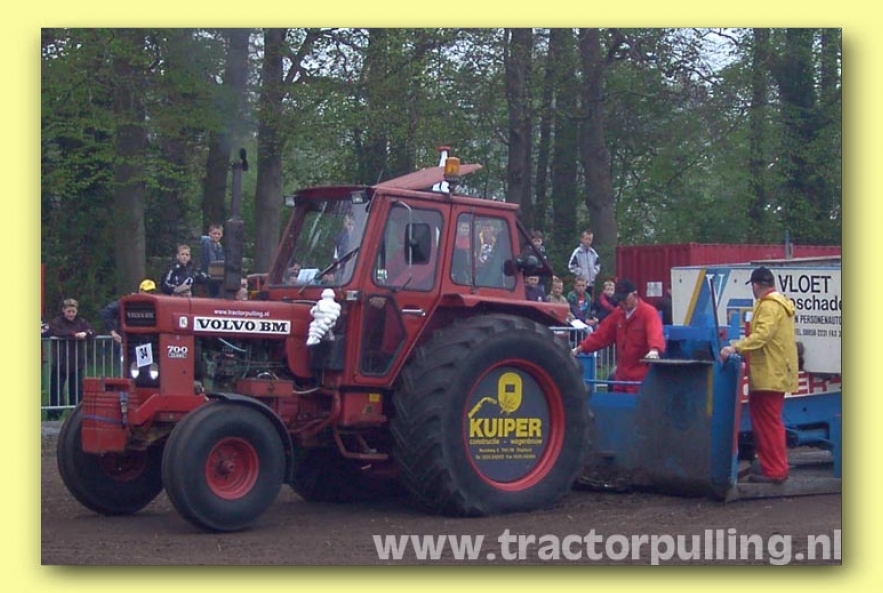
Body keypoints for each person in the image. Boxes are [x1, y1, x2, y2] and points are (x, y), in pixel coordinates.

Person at [720, 267, 799, 484]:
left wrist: (735, 347)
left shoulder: (768, 306)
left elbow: (763, 335)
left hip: (768, 374)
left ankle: (775, 471)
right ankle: (774, 468)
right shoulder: (778, 304)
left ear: (755, 285)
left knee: (767, 425)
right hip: (773, 372)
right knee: (769, 423)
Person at [571, 279, 665, 394]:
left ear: (635, 295)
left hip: (640, 379)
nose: (621, 303)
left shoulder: (648, 313)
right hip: (621, 377)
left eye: (624, 299)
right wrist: (578, 349)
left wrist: (654, 350)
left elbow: (655, 333)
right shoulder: (618, 314)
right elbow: (601, 335)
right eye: (619, 300)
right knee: (617, 401)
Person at [41, 298, 96, 419]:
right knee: (56, 392)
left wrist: (86, 333)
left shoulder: (81, 322)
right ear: (63, 310)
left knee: (76, 392)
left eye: (73, 311)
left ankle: (76, 417)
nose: (71, 314)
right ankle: (54, 415)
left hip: (76, 364)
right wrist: (74, 334)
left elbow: (92, 331)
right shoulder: (57, 321)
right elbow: (56, 331)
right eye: (68, 311)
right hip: (60, 363)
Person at [99, 278, 157, 344]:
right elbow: (106, 312)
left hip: (146, 342)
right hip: (126, 342)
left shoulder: (154, 305)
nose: (150, 294)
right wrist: (113, 332)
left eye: (152, 292)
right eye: (147, 291)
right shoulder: (128, 302)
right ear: (140, 291)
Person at [568, 229, 601, 298]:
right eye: (586, 239)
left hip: (590, 283)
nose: (588, 241)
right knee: (579, 300)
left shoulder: (593, 253)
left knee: (589, 300)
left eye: (590, 239)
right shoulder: (577, 252)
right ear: (582, 239)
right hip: (580, 284)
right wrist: (580, 273)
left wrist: (594, 272)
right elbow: (571, 266)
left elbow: (598, 264)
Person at [200, 223, 225, 297]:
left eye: (218, 234)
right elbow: (211, 261)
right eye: (214, 233)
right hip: (206, 273)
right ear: (209, 233)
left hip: (215, 273)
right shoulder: (207, 243)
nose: (216, 236)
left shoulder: (219, 246)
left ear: (222, 235)